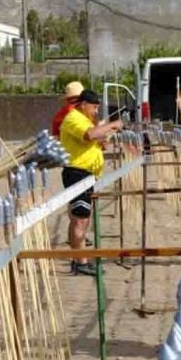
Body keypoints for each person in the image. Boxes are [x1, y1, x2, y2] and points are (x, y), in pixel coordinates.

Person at [59, 88, 122, 275]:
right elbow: (90, 135)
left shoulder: (86, 120)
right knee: (80, 220)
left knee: (81, 219)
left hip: (86, 174)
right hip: (76, 173)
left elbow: (93, 139)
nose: (95, 112)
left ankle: (79, 258)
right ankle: (81, 261)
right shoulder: (73, 118)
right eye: (94, 107)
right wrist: (112, 125)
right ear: (83, 105)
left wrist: (102, 142)